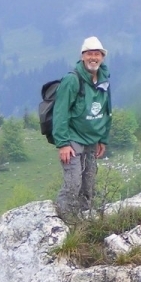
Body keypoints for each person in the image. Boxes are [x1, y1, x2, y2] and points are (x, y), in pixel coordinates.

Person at [52, 36, 111, 221]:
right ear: (82, 56)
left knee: (88, 185)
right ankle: (63, 223)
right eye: (90, 54)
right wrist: (62, 143)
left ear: (102, 57)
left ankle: (84, 223)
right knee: (73, 184)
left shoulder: (103, 79)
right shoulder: (72, 80)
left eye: (97, 54)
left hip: (92, 140)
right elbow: (60, 112)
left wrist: (103, 138)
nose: (94, 57)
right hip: (72, 140)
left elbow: (106, 109)